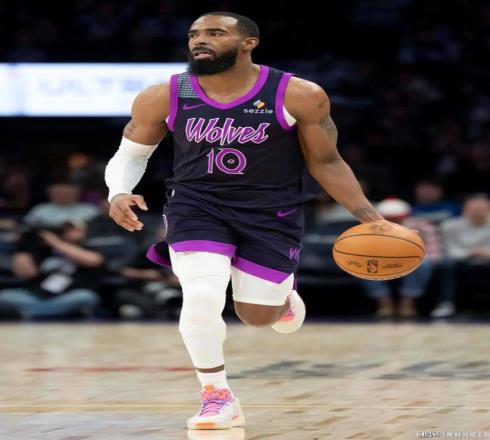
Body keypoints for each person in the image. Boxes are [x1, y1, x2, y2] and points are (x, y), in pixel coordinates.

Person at [104, 12, 383, 430]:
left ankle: (281, 298)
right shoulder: (165, 94)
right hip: (196, 206)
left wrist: (372, 220)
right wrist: (118, 191)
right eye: (194, 34)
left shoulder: (298, 94)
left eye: (215, 33)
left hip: (271, 213)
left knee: (258, 316)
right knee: (201, 295)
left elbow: (326, 162)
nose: (200, 40)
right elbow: (131, 154)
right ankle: (217, 395)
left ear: (249, 42)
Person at [359, 198, 443, 318]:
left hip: (413, 260)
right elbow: (362, 251)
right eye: (389, 218)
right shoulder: (369, 228)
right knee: (364, 263)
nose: (393, 221)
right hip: (382, 261)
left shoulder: (422, 225)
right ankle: (384, 303)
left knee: (424, 263)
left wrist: (412, 254)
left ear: (406, 216)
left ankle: (408, 303)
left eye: (397, 218)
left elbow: (435, 253)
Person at [0, 221, 102, 320]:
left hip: (69, 295)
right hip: (37, 296)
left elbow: (93, 261)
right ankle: (47, 311)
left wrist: (54, 241)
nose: (68, 232)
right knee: (4, 296)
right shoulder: (45, 250)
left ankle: (35, 312)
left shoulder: (90, 248)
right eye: (65, 229)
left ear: (84, 232)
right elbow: (26, 274)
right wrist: (23, 247)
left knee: (87, 296)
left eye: (73, 229)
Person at [431, 193, 490, 318]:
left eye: (482, 210)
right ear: (465, 210)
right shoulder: (449, 226)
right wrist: (468, 253)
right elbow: (447, 249)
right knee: (446, 263)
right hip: (463, 261)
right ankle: (446, 304)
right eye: (474, 209)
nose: (478, 213)